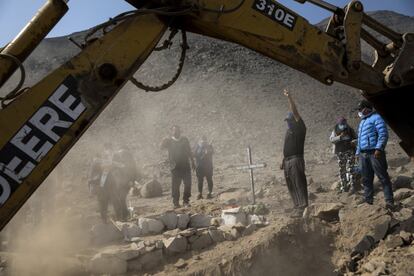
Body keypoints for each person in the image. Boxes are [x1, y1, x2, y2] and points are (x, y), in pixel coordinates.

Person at [356, 100, 394, 209]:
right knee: (366, 179)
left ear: (367, 108)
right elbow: (359, 139)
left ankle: (389, 201)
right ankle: (368, 201)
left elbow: (383, 134)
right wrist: (358, 152)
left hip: (375, 153)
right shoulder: (362, 121)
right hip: (363, 154)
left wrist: (379, 148)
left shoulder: (377, 118)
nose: (359, 111)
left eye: (360, 109)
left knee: (382, 177)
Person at [280, 89, 308, 217]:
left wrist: (289, 98)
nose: (288, 123)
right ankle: (297, 206)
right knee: (290, 183)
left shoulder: (300, 127)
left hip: (296, 159)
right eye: (287, 121)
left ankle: (303, 206)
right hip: (287, 161)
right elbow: (286, 146)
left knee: (298, 182)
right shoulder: (289, 132)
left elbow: (295, 112)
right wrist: (283, 160)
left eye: (290, 120)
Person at [161, 125, 195, 208]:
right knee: (175, 186)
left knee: (188, 184)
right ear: (172, 131)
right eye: (174, 130)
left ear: (180, 131)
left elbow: (189, 151)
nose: (176, 132)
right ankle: (176, 203)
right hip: (175, 167)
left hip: (185, 166)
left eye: (178, 130)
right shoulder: (169, 141)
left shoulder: (184, 140)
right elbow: (161, 147)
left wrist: (193, 162)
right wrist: (163, 140)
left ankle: (186, 201)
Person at [330, 117, 358, 193]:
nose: (343, 125)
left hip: (350, 151)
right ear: (339, 123)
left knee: (351, 169)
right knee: (342, 170)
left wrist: (354, 142)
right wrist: (340, 137)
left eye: (344, 123)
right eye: (341, 123)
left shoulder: (350, 129)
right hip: (340, 152)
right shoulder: (335, 130)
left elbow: (357, 138)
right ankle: (344, 187)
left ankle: (352, 186)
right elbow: (331, 140)